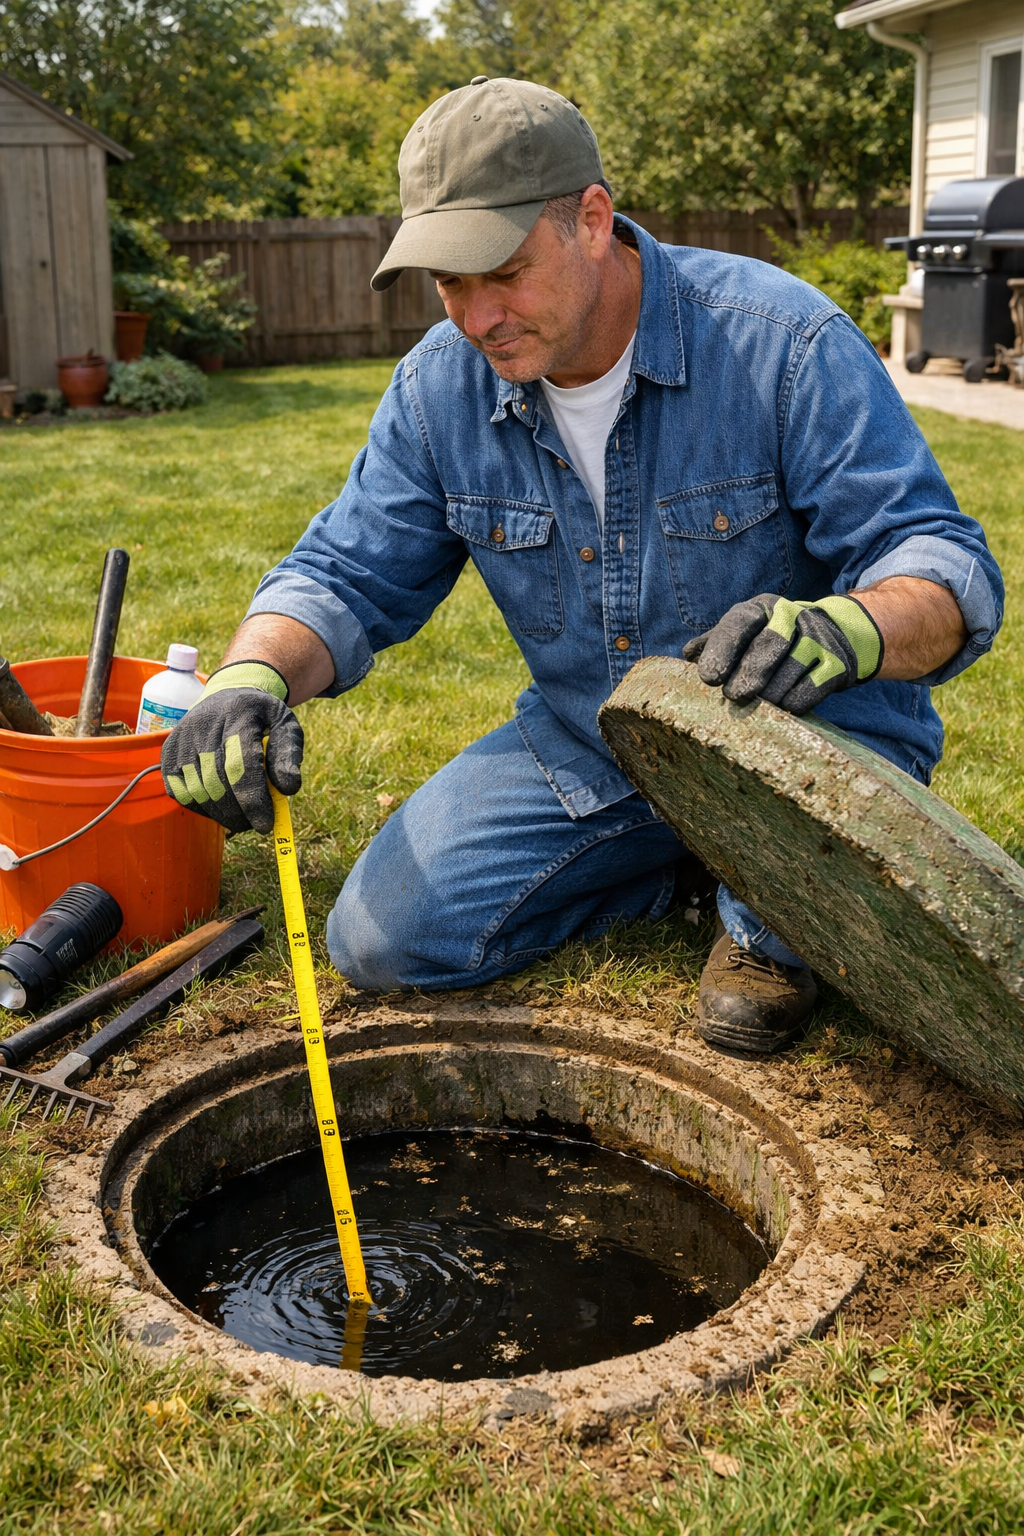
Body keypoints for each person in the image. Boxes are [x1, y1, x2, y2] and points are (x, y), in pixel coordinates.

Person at [162, 77, 1002, 1056]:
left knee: (770, 980)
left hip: (801, 743)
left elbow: (942, 566)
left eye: (503, 272)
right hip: (596, 742)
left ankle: (766, 919)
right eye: (449, 284)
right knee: (380, 940)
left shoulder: (781, 342)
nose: (477, 317)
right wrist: (250, 676)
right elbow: (345, 572)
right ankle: (688, 868)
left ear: (592, 220)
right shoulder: (439, 389)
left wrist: (844, 627)